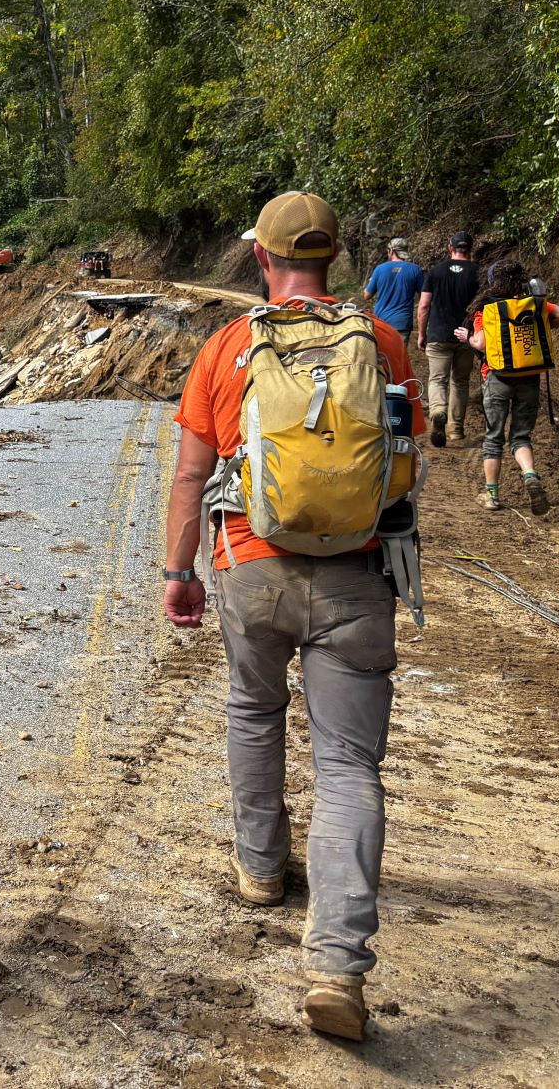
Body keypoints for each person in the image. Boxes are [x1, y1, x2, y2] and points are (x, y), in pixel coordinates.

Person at [163, 191, 423, 1043]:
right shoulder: (378, 343)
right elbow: (405, 462)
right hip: (353, 577)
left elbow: (189, 473)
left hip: (250, 566)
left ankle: (261, 868)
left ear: (260, 260)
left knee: (251, 708)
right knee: (348, 763)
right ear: (336, 259)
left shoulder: (230, 346)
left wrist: (178, 571)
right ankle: (338, 967)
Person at [456, 260, 559, 515]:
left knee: (493, 438)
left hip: (497, 377)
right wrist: (542, 324)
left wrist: (468, 339)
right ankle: (530, 475)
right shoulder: (534, 303)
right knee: (520, 437)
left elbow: (482, 343)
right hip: (529, 377)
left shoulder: (488, 307)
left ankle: (491, 495)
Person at [416, 231, 479, 448]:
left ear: (449, 247)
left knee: (437, 379)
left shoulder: (435, 271)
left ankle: (438, 411)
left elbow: (423, 306)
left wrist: (422, 333)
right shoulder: (478, 273)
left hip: (438, 334)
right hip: (465, 336)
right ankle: (456, 431)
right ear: (470, 249)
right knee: (460, 382)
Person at [363, 236, 425, 346]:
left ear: (391, 251)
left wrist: (371, 281)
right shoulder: (416, 270)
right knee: (398, 358)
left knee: (382, 358)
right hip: (402, 322)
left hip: (381, 322)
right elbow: (424, 297)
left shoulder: (379, 269)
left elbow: (366, 296)